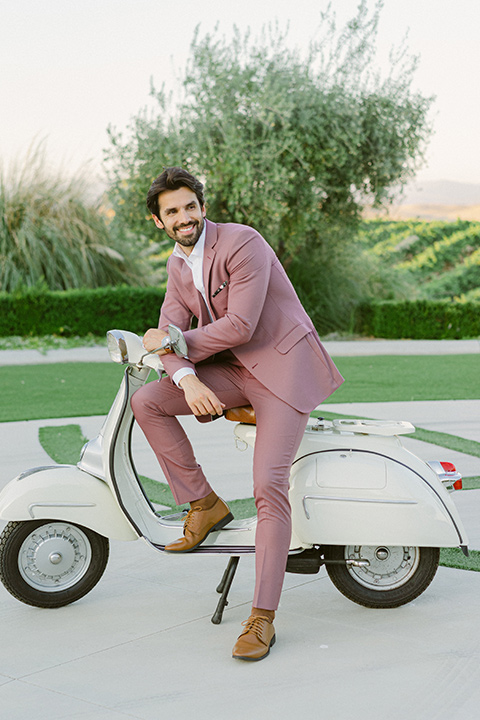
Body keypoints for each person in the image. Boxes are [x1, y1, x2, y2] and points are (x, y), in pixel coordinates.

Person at [131, 167, 344, 661]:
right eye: (172, 212)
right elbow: (168, 329)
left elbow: (241, 325)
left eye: (190, 206)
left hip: (284, 369)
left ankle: (262, 618)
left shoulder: (242, 242)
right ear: (158, 221)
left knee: (268, 485)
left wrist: (172, 344)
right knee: (149, 401)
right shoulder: (177, 265)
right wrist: (184, 376)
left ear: (202, 206)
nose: (184, 217)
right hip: (232, 372)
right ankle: (203, 504)